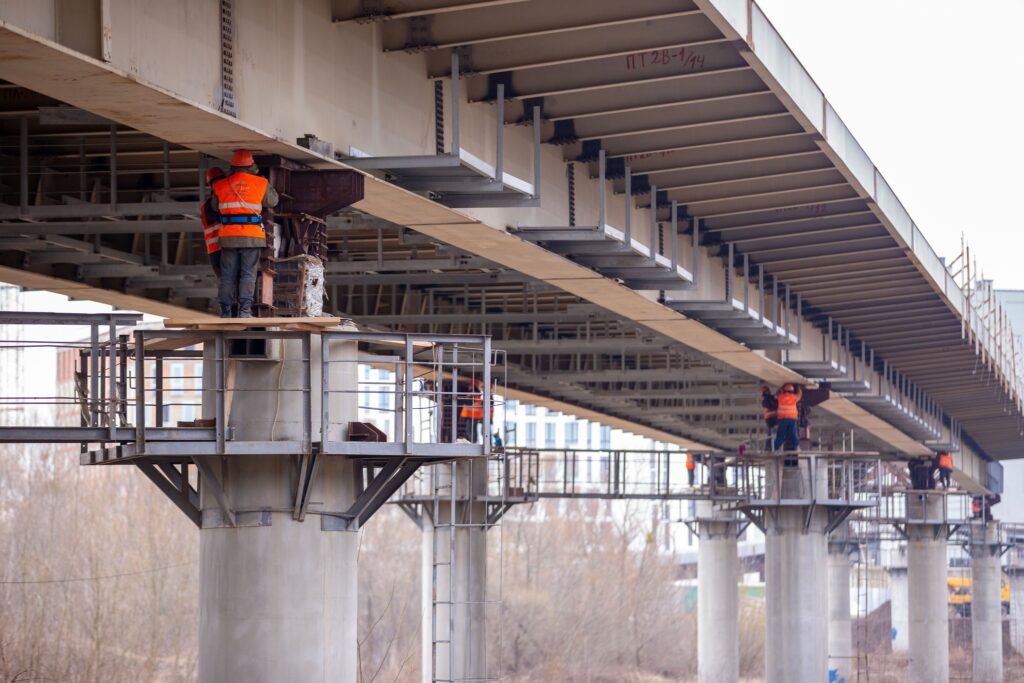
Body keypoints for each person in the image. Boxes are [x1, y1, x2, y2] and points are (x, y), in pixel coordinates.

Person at [209, 149, 279, 318]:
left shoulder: (220, 185)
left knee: (227, 276)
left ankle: (225, 312)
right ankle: (244, 312)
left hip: (228, 237)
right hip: (251, 237)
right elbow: (273, 201)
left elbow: (214, 207)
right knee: (248, 274)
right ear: (251, 165)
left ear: (232, 166)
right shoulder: (260, 183)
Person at [200, 167, 225, 277]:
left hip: (219, 248)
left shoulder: (210, 204)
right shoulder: (209, 205)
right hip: (218, 249)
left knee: (228, 280)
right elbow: (220, 218)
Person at [773, 383, 802, 452]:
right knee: (793, 434)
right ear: (792, 391)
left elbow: (776, 394)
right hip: (792, 419)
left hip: (782, 419)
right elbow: (799, 395)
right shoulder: (794, 397)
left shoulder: (780, 397)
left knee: (780, 434)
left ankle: (776, 448)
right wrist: (798, 387)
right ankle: (797, 447)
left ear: (784, 390)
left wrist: (781, 388)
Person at [760, 385, 778, 450]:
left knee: (770, 433)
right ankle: (770, 447)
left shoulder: (765, 399)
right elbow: (774, 405)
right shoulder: (768, 399)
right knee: (772, 433)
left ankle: (769, 447)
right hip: (772, 418)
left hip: (769, 418)